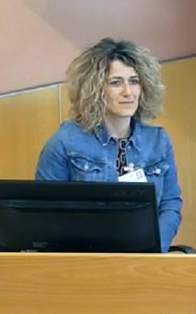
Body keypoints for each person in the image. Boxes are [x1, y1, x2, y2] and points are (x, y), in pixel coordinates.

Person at [36, 38, 182, 253]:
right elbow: (45, 215)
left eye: (134, 81)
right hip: (86, 262)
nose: (128, 92)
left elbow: (170, 204)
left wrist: (153, 250)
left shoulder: (158, 142)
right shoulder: (64, 143)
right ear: (95, 89)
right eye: (116, 82)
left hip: (145, 259)